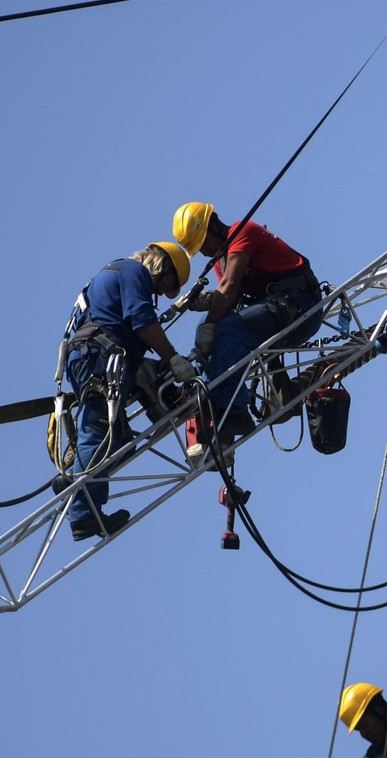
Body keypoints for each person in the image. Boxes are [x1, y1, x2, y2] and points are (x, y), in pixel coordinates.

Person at [63, 243, 198, 540]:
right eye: (167, 283)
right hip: (100, 359)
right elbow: (141, 318)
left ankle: (73, 477)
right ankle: (85, 513)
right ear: (161, 265)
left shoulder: (110, 274)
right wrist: (172, 357)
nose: (161, 293)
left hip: (90, 357)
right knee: (99, 434)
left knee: (121, 440)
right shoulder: (133, 271)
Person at [171, 203, 323, 446]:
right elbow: (227, 298)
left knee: (227, 330)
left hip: (299, 304)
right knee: (212, 327)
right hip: (272, 311)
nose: (204, 253)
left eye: (202, 244)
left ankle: (234, 412)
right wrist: (203, 331)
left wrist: (211, 322)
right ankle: (217, 409)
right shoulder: (222, 261)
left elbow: (229, 288)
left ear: (212, 227)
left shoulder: (243, 231)